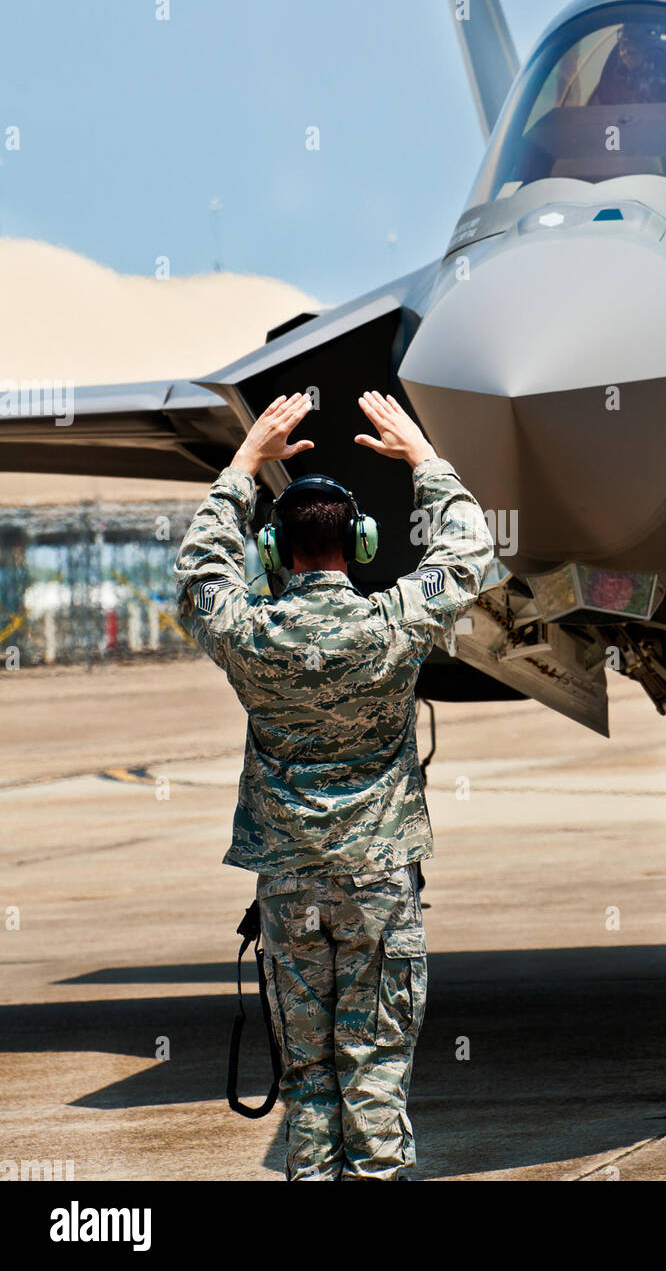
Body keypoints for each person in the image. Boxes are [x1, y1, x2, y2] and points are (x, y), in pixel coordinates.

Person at [174, 390, 494, 1180]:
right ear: (361, 541)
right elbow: (471, 553)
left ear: (276, 553)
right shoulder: (394, 623)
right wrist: (422, 456)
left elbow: (198, 572)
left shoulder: (249, 633)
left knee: (309, 1083)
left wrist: (248, 464)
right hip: (379, 884)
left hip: (289, 888)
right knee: (375, 1074)